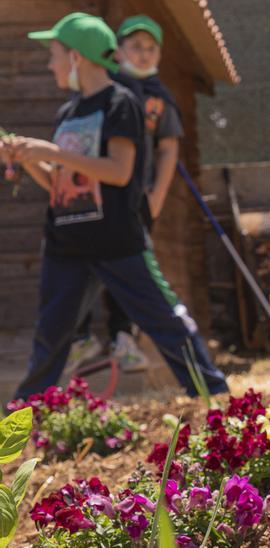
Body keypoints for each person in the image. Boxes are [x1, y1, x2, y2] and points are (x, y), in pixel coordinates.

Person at [0, 13, 227, 400]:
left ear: (77, 57)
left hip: (117, 240)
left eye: (54, 54)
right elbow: (62, 182)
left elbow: (119, 172)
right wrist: (28, 158)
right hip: (66, 243)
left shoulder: (122, 104)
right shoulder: (67, 112)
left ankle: (216, 397)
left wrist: (51, 151)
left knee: (163, 320)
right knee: (51, 337)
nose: (49, 63)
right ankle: (25, 421)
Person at [67, 15, 186, 373]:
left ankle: (124, 338)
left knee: (132, 269)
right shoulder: (104, 89)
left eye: (151, 48)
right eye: (136, 46)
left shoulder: (159, 98)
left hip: (133, 200)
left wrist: (158, 196)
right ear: (117, 51)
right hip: (91, 198)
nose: (144, 54)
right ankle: (81, 338)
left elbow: (168, 148)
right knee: (84, 266)